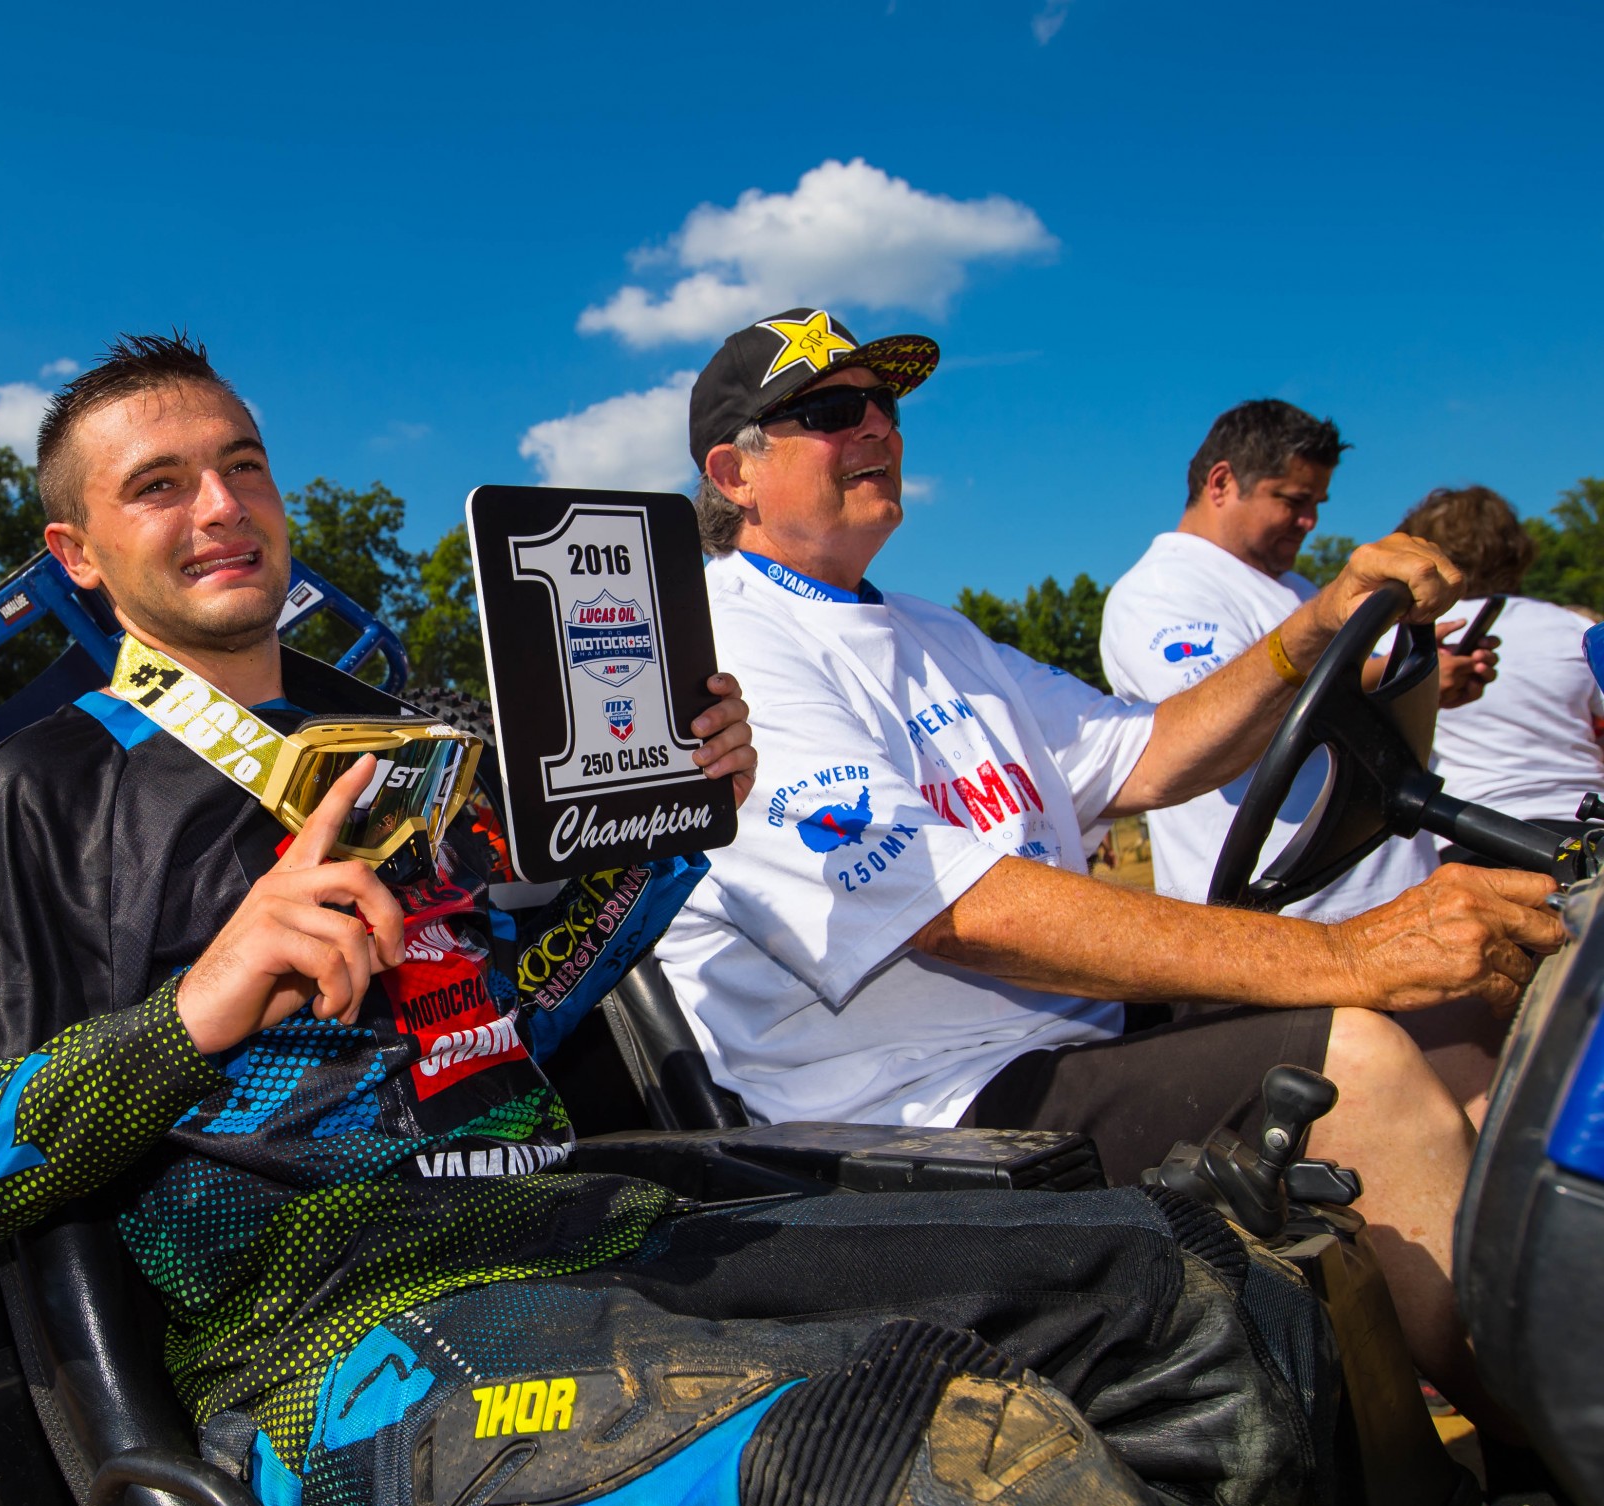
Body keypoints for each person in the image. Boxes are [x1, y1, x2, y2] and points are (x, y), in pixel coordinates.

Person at [0, 334, 1341, 1506]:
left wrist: (678, 828)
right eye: (159, 485)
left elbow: (512, 1016)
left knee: (1182, 1287)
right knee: (950, 1473)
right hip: (333, 1341)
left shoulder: (408, 741)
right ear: (78, 554)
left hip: (572, 1222)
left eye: (242, 465)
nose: (221, 507)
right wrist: (193, 1011)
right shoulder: (37, 794)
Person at [654, 307, 1564, 1443]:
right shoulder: (723, 643)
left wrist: (1314, 630)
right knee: (1361, 1063)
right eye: (834, 412)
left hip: (1049, 1053)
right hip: (908, 1110)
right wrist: (1347, 953)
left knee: (1466, 1013)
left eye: (886, 403)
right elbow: (955, 911)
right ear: (734, 471)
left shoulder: (941, 636)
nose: (879, 426)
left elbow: (1148, 751)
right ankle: (1564, 1441)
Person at [1098, 400, 1493, 919]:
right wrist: (1385, 677)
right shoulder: (1158, 591)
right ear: (1221, 483)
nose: (1310, 521)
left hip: (1394, 893)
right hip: (1290, 926)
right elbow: (1212, 725)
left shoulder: (1297, 588)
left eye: (1318, 503)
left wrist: (1425, 677)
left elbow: (1354, 690)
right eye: (1292, 500)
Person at [1409, 485, 1604, 859]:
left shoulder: (1409, 637)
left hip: (1470, 838)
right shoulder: (1572, 627)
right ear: (1517, 549)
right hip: (1587, 833)